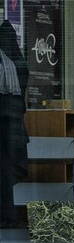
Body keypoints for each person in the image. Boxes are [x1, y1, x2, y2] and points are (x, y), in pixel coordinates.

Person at [0, 20, 28, 229]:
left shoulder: (7, 64)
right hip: (13, 127)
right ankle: (8, 217)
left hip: (7, 127)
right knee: (6, 174)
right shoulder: (18, 63)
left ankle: (6, 216)